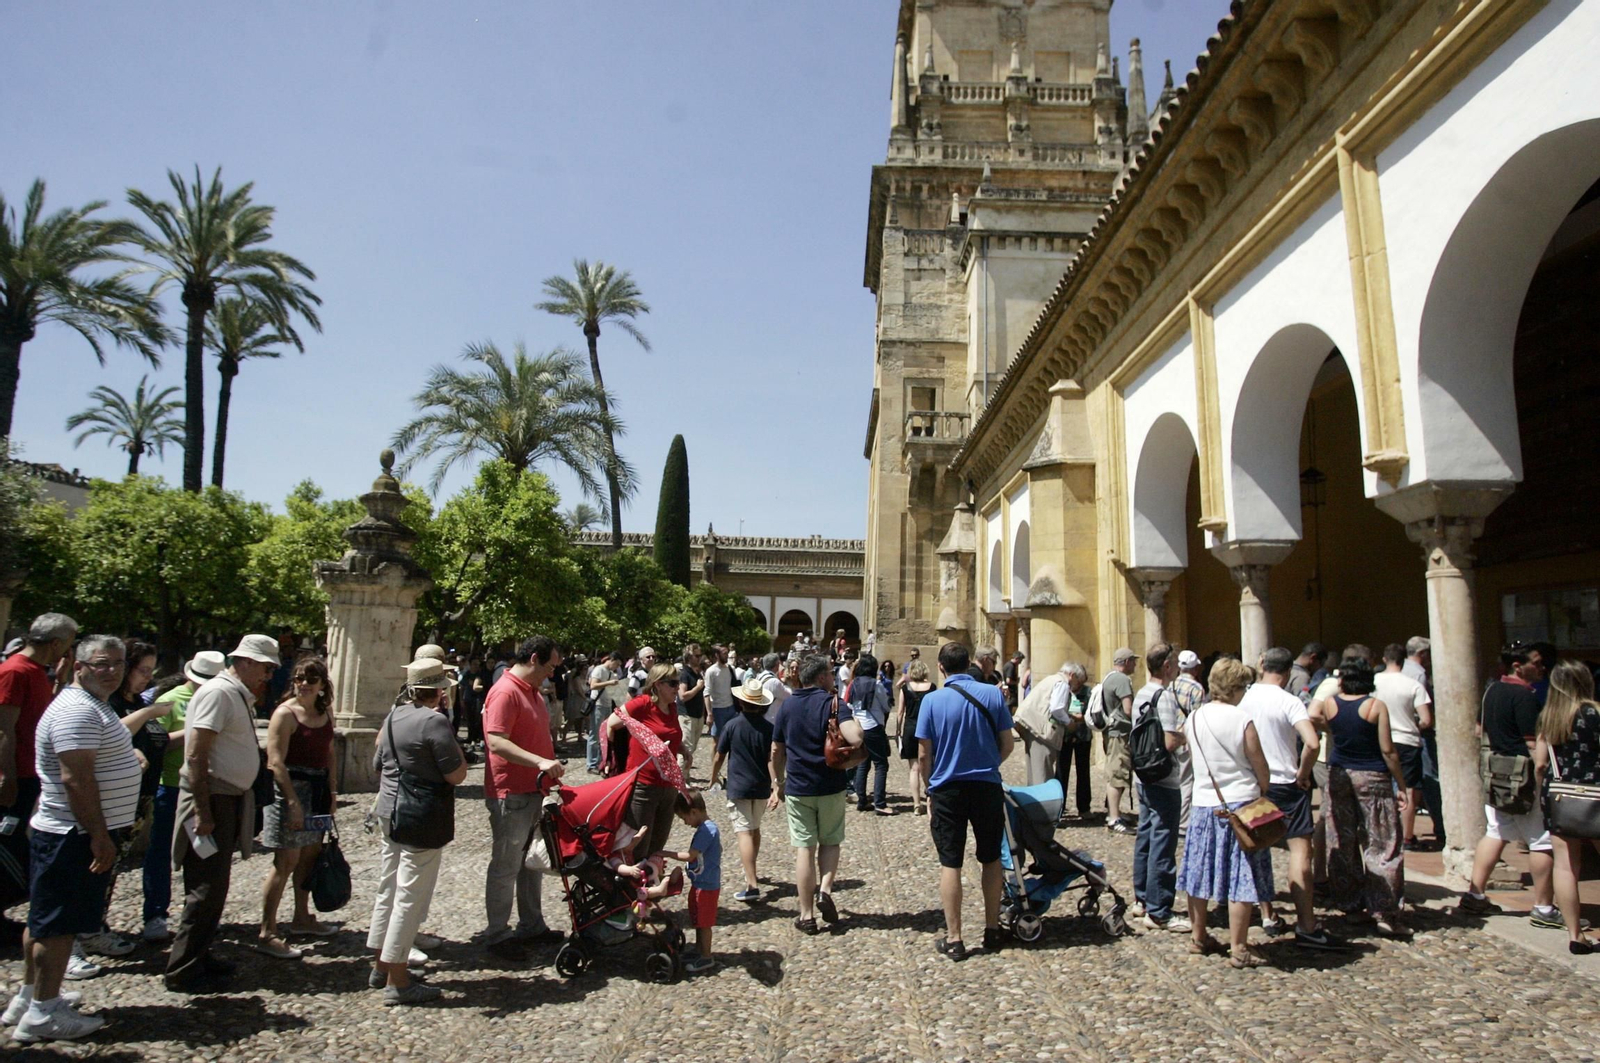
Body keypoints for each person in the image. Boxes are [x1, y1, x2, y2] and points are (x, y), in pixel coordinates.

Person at [7, 635, 140, 1043]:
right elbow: (75, 778)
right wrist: (99, 836)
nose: (112, 671)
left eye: (118, 663)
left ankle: (30, 997)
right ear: (78, 666)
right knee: (58, 927)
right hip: (73, 834)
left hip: (67, 831)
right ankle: (43, 1013)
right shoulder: (78, 710)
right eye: (101, 663)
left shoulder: (89, 704)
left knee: (44, 920)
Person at [166, 634, 281, 993]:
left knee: (215, 887)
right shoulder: (219, 693)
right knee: (205, 887)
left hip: (226, 798)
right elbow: (196, 754)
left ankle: (198, 955)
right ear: (244, 662)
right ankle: (184, 968)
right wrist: (203, 811)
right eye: (265, 668)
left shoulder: (232, 694)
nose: (268, 676)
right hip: (214, 798)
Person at [368, 658, 468, 1004]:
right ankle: (398, 980)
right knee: (409, 895)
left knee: (389, 888)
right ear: (439, 691)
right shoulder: (434, 721)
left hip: (389, 810)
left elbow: (377, 763)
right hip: (419, 816)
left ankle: (381, 964)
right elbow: (456, 774)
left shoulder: (393, 717)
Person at [916, 642, 1015, 961]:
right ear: (969, 663)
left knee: (951, 862)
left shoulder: (932, 700)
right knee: (991, 858)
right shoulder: (992, 695)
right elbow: (1008, 743)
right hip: (986, 786)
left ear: (941, 667)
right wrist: (990, 764)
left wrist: (929, 788)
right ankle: (992, 929)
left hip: (947, 789)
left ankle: (955, 938)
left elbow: (923, 754)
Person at [1241, 648, 1345, 950]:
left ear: (1262, 665)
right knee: (1301, 851)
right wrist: (1303, 772)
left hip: (1255, 783)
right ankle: (1306, 923)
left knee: (1257, 849)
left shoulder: (1244, 698)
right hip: (1286, 782)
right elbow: (1312, 742)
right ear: (1287, 672)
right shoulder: (1289, 701)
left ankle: (1267, 913)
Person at [1178, 657, 1275, 968]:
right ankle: (1239, 947)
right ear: (1234, 688)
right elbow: (1259, 763)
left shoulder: (1193, 718)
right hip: (1241, 805)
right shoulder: (1242, 720)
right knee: (1241, 876)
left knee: (1199, 872)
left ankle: (1198, 936)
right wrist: (1264, 788)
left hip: (1204, 803)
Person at [1458, 642, 1559, 924]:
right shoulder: (1524, 697)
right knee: (1541, 840)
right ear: (1518, 666)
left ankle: (1475, 895)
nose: (1541, 668)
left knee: (1496, 831)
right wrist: (1543, 779)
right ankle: (1544, 907)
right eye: (1536, 663)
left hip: (1496, 774)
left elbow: (1479, 730)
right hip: (1523, 777)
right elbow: (1533, 745)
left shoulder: (1491, 691)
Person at [480, 635, 566, 962]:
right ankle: (497, 934)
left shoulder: (531, 691)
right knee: (506, 865)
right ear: (533, 659)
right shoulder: (505, 691)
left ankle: (531, 925)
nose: (552, 673)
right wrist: (540, 762)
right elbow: (496, 742)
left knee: (530, 864)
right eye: (550, 666)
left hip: (533, 790)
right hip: (511, 793)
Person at [1313, 655, 1410, 938]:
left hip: (1339, 774)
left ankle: (1350, 903)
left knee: (1342, 839)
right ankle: (1384, 910)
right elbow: (1388, 750)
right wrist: (1400, 783)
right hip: (1373, 776)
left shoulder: (1330, 704)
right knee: (1383, 842)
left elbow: (1323, 723)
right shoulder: (1375, 706)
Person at [0, 613, 78, 950]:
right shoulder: (15, 671)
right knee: (8, 849)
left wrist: (60, 681)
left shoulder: (38, 672)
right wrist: (6, 776)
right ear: (57, 643)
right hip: (18, 775)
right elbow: (4, 728)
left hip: (34, 773)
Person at [140, 650, 224, 945]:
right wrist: (194, 733)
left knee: (204, 855)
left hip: (209, 785)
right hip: (173, 786)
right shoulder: (170, 701)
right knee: (161, 853)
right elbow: (155, 743)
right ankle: (155, 914)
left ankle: (198, 915)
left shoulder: (221, 698)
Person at [257, 657, 337, 959]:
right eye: (299, 678)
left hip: (318, 792)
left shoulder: (325, 713)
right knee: (285, 861)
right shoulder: (284, 714)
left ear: (322, 685)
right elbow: (275, 761)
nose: (304, 684)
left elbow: (330, 754)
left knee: (309, 857)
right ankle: (267, 931)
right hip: (290, 791)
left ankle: (301, 917)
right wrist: (292, 802)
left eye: (311, 679)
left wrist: (332, 793)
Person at [770, 654, 853, 934]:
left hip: (798, 786)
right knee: (830, 841)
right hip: (830, 784)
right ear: (821, 677)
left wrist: (778, 782)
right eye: (830, 673)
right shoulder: (834, 704)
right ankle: (825, 890)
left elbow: (776, 750)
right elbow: (854, 737)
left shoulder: (787, 705)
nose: (832, 677)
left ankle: (806, 915)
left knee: (804, 849)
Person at [1534, 660, 1600, 953]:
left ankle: (1575, 935)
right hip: (1596, 792)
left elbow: (1540, 764)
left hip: (1559, 795)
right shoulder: (1595, 713)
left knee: (1565, 865)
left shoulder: (1549, 717)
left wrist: (1543, 793)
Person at [1129, 642, 1189, 933]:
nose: (1177, 669)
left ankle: (1142, 898)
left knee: (1146, 836)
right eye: (1175, 664)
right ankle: (1159, 909)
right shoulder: (1164, 697)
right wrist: (1185, 735)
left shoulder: (1142, 692)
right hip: (1163, 778)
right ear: (1166, 666)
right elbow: (1168, 741)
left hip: (1143, 775)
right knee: (1163, 841)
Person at [608, 661, 686, 859]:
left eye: (678, 683)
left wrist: (683, 750)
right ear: (658, 684)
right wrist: (612, 757)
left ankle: (651, 877)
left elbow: (669, 736)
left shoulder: (672, 707)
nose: (677, 688)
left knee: (657, 845)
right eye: (673, 683)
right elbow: (611, 723)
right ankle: (632, 878)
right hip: (643, 786)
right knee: (638, 845)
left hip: (668, 786)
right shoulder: (642, 704)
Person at [707, 677, 774, 901]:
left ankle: (751, 884)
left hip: (739, 786)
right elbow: (772, 758)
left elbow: (719, 755)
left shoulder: (732, 725)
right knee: (754, 829)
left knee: (744, 832)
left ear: (741, 701)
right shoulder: (769, 728)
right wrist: (776, 784)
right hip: (761, 785)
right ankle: (751, 869)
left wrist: (713, 777)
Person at [1376, 643, 1433, 851]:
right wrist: (1414, 724)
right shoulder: (1413, 685)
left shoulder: (1374, 682)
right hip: (1408, 740)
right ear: (1404, 661)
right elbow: (1426, 720)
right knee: (1408, 789)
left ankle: (1382, 833)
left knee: (1380, 786)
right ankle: (1406, 836)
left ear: (1384, 659)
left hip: (1380, 739)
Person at [668, 790, 720, 974]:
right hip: (700, 883)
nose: (685, 822)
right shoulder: (705, 829)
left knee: (704, 923)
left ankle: (706, 956)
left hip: (706, 885)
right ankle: (699, 950)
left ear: (694, 812)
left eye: (684, 818)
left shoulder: (707, 830)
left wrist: (666, 853)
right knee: (698, 919)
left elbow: (690, 856)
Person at [1402, 636, 1445, 850]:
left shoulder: (1400, 670)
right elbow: (1424, 714)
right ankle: (1440, 828)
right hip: (1417, 733)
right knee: (1429, 781)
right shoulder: (1418, 674)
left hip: (1399, 734)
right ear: (1423, 654)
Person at [847, 653, 894, 815]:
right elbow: (886, 706)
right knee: (881, 765)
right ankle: (880, 803)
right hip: (873, 726)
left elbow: (849, 704)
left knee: (863, 763)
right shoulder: (876, 685)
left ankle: (861, 800)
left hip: (858, 726)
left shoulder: (854, 684)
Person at [1101, 647, 1139, 833]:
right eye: (1133, 661)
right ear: (1126, 662)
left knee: (1115, 772)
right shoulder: (1122, 680)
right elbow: (1128, 709)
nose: (1135, 665)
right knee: (1118, 774)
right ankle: (1114, 818)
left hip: (1111, 732)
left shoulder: (1109, 677)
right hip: (1120, 733)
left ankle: (1113, 813)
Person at [1051, 663, 1093, 820]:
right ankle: (1059, 808)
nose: (1077, 684)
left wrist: (1080, 718)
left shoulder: (1088, 692)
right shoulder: (1063, 688)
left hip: (1083, 735)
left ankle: (1084, 807)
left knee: (1083, 772)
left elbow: (1091, 713)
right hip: (1065, 736)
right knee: (1061, 772)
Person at [1170, 650, 1204, 832]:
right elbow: (1198, 717)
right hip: (1185, 739)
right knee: (1186, 781)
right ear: (1195, 669)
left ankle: (1171, 816)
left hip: (1169, 737)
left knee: (1172, 781)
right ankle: (1182, 822)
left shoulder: (1170, 685)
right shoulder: (1196, 688)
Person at [896, 658, 935, 815]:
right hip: (927, 728)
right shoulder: (932, 687)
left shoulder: (905, 688)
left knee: (914, 768)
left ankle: (917, 804)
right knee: (928, 764)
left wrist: (898, 730)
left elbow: (900, 712)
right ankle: (930, 797)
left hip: (910, 728)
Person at [587, 651, 624, 774]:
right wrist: (609, 683)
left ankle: (600, 762)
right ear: (611, 660)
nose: (617, 667)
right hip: (598, 704)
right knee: (595, 734)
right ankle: (591, 764)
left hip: (607, 705)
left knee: (604, 734)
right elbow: (593, 685)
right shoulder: (599, 669)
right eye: (617, 664)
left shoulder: (611, 673)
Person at [676, 645, 707, 778]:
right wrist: (698, 688)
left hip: (697, 715)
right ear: (689, 657)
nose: (700, 658)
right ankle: (679, 781)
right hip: (687, 715)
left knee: (691, 748)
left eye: (700, 655)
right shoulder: (684, 674)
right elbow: (682, 696)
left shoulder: (696, 673)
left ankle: (685, 778)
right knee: (685, 749)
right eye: (697, 656)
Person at [704, 645, 736, 740]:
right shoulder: (711, 671)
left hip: (731, 707)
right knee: (717, 740)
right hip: (718, 709)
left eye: (727, 653)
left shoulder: (730, 669)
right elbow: (706, 693)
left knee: (731, 738)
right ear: (717, 655)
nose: (727, 655)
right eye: (724, 653)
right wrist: (709, 714)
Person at [756, 652, 790, 723]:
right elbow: (789, 695)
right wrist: (787, 683)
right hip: (771, 720)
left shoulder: (759, 677)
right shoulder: (774, 682)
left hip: (760, 717)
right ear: (777, 665)